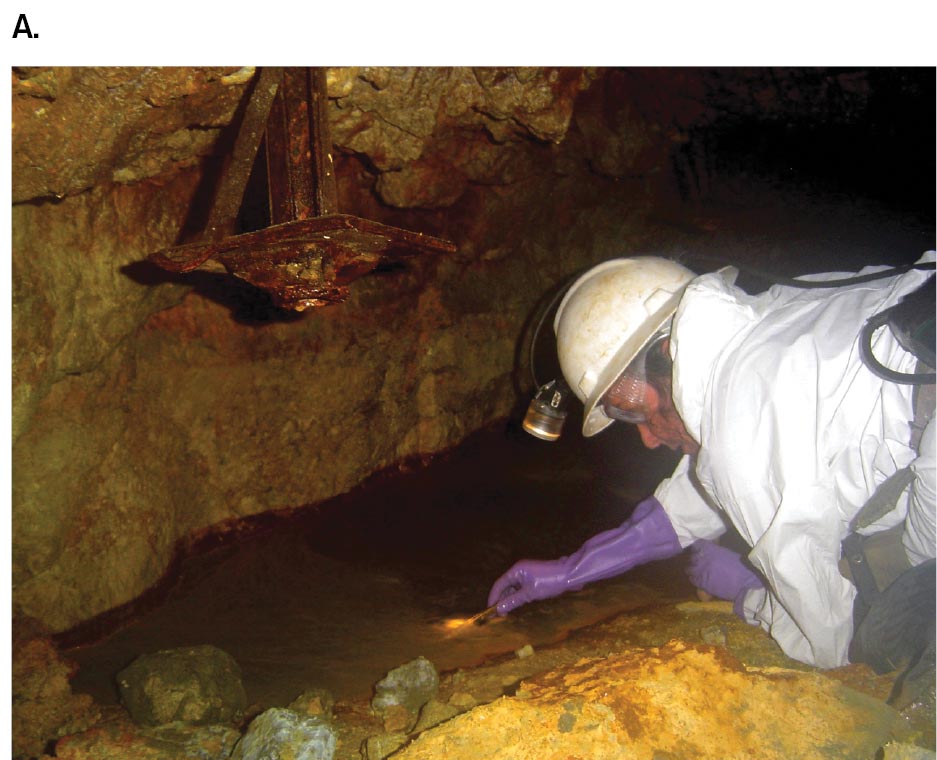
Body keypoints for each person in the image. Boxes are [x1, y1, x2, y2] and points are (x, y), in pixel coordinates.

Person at [488, 253, 935, 671]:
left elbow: (827, 642)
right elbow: (713, 479)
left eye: (631, 411)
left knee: (886, 633)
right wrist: (573, 569)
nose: (645, 439)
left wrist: (750, 595)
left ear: (667, 355)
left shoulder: (738, 442)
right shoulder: (765, 320)